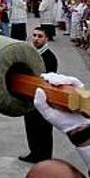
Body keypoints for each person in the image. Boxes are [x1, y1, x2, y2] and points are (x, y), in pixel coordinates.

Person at [19, 27, 58, 163]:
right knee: (31, 127)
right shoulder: (31, 53)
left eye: (39, 36)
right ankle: (35, 153)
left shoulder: (49, 57)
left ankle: (45, 158)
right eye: (34, 35)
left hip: (43, 98)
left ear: (46, 38)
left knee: (43, 130)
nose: (36, 38)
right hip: (30, 96)